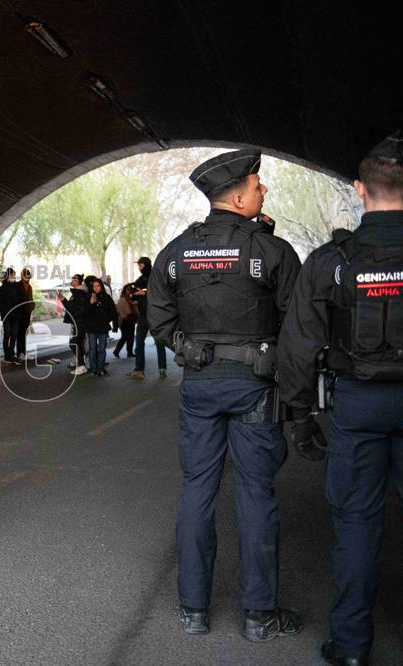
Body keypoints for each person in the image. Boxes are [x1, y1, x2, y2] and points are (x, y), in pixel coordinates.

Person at [148, 148, 305, 641]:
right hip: (255, 386)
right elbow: (298, 328)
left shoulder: (175, 252)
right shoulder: (272, 251)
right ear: (239, 196)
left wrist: (185, 348)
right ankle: (260, 617)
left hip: (199, 385)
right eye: (259, 185)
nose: (264, 191)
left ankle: (193, 610)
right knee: (256, 494)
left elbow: (160, 319)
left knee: (197, 490)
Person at [277, 131, 403, 666]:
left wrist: (300, 417)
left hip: (357, 404)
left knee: (356, 526)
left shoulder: (331, 261)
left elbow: (299, 347)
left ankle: (351, 649)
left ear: (358, 189)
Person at [128, 257, 168, 379]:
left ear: (145, 265)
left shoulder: (155, 277)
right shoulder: (139, 280)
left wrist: (145, 292)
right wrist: (135, 294)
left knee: (159, 342)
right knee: (139, 342)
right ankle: (139, 369)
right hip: (143, 316)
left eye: (140, 265)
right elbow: (132, 295)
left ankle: (162, 368)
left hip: (155, 315)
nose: (139, 268)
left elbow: (161, 293)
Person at [82, 277, 116, 376]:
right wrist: (91, 303)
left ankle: (101, 368)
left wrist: (114, 324)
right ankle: (93, 369)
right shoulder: (88, 297)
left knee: (102, 349)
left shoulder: (107, 297)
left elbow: (113, 311)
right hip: (91, 328)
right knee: (92, 350)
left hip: (103, 327)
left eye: (98, 286)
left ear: (101, 286)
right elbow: (84, 312)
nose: (96, 288)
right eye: (94, 286)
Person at [58, 274, 88, 375]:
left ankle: (81, 365)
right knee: (77, 343)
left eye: (73, 279)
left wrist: (63, 300)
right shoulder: (79, 292)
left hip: (78, 322)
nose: (71, 281)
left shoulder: (79, 293)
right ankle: (82, 364)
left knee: (73, 343)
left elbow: (73, 309)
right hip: (79, 321)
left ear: (78, 281)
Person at [0, 267, 20, 364]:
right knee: (7, 335)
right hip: (7, 315)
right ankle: (7, 355)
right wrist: (5, 310)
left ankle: (11, 353)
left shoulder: (16, 287)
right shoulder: (1, 289)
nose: (14, 276)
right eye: (13, 275)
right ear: (9, 275)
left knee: (14, 335)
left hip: (15, 315)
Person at [113, 283, 138, 358]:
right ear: (125, 290)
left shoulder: (130, 298)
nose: (129, 290)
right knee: (125, 337)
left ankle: (129, 352)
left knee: (131, 337)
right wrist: (125, 317)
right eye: (128, 289)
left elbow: (134, 308)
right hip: (124, 320)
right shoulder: (123, 298)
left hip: (131, 319)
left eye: (130, 289)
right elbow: (119, 310)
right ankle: (116, 351)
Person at [15, 268, 35, 360]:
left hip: (27, 312)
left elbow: (30, 298)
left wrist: (32, 306)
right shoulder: (17, 285)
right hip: (19, 314)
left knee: (24, 333)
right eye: (26, 276)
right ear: (22, 276)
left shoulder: (29, 287)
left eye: (29, 277)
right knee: (20, 334)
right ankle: (20, 353)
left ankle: (24, 352)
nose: (28, 279)